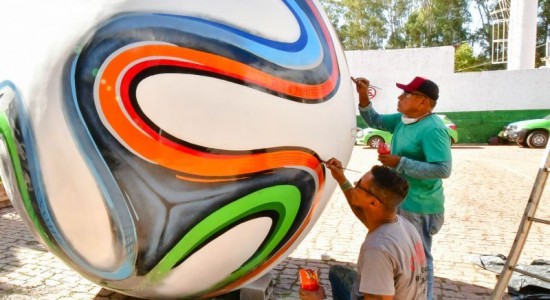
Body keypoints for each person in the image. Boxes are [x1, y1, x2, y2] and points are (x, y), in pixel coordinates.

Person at [353, 76, 452, 300]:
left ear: (424, 102)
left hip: (420, 205)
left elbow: (443, 169)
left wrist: (400, 163)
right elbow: (375, 120)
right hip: (402, 201)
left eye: (407, 94)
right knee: (403, 255)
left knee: (419, 259)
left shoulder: (432, 129)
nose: (400, 97)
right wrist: (362, 94)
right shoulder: (403, 119)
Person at [299, 161, 427, 300]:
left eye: (359, 184)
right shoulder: (403, 225)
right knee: (337, 273)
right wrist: (341, 178)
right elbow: (362, 212)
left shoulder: (377, 251)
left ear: (373, 203)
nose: (354, 184)